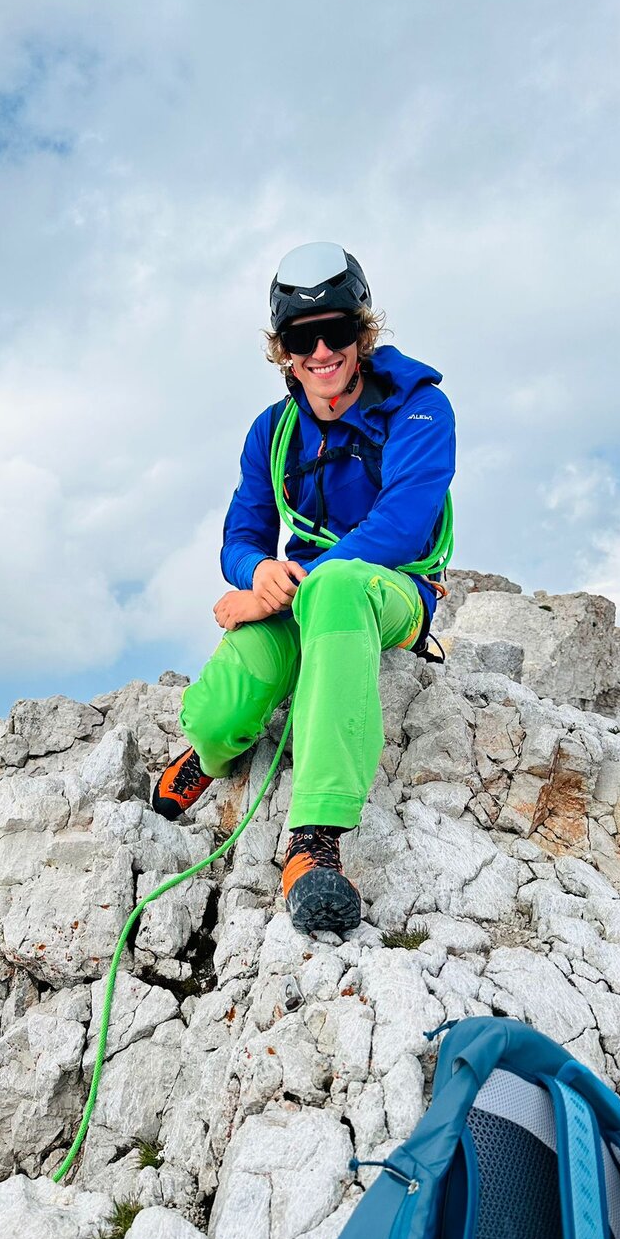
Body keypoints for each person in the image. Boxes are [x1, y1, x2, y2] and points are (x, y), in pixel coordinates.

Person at [152, 242, 456, 936]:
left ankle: (314, 842)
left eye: (338, 331)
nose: (323, 351)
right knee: (217, 710)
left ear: (363, 332)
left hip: (391, 592)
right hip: (297, 592)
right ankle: (207, 753)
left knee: (339, 588)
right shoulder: (273, 431)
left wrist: (287, 589)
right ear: (282, 348)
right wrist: (257, 575)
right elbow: (242, 533)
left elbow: (402, 528)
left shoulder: (420, 409)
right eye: (301, 338)